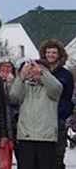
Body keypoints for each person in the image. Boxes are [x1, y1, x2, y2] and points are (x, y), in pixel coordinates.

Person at [8, 58, 63, 169]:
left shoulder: (51, 89)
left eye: (37, 69)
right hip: (25, 137)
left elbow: (57, 87)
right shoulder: (24, 86)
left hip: (46, 138)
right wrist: (22, 76)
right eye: (32, 69)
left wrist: (42, 73)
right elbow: (14, 97)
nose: (34, 71)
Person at [40, 40, 74, 169]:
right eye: (48, 52)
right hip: (41, 119)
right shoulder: (39, 71)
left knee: (58, 156)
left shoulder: (66, 75)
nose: (50, 55)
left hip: (57, 119)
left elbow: (68, 98)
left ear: (59, 55)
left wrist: (62, 115)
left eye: (54, 52)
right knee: (43, 156)